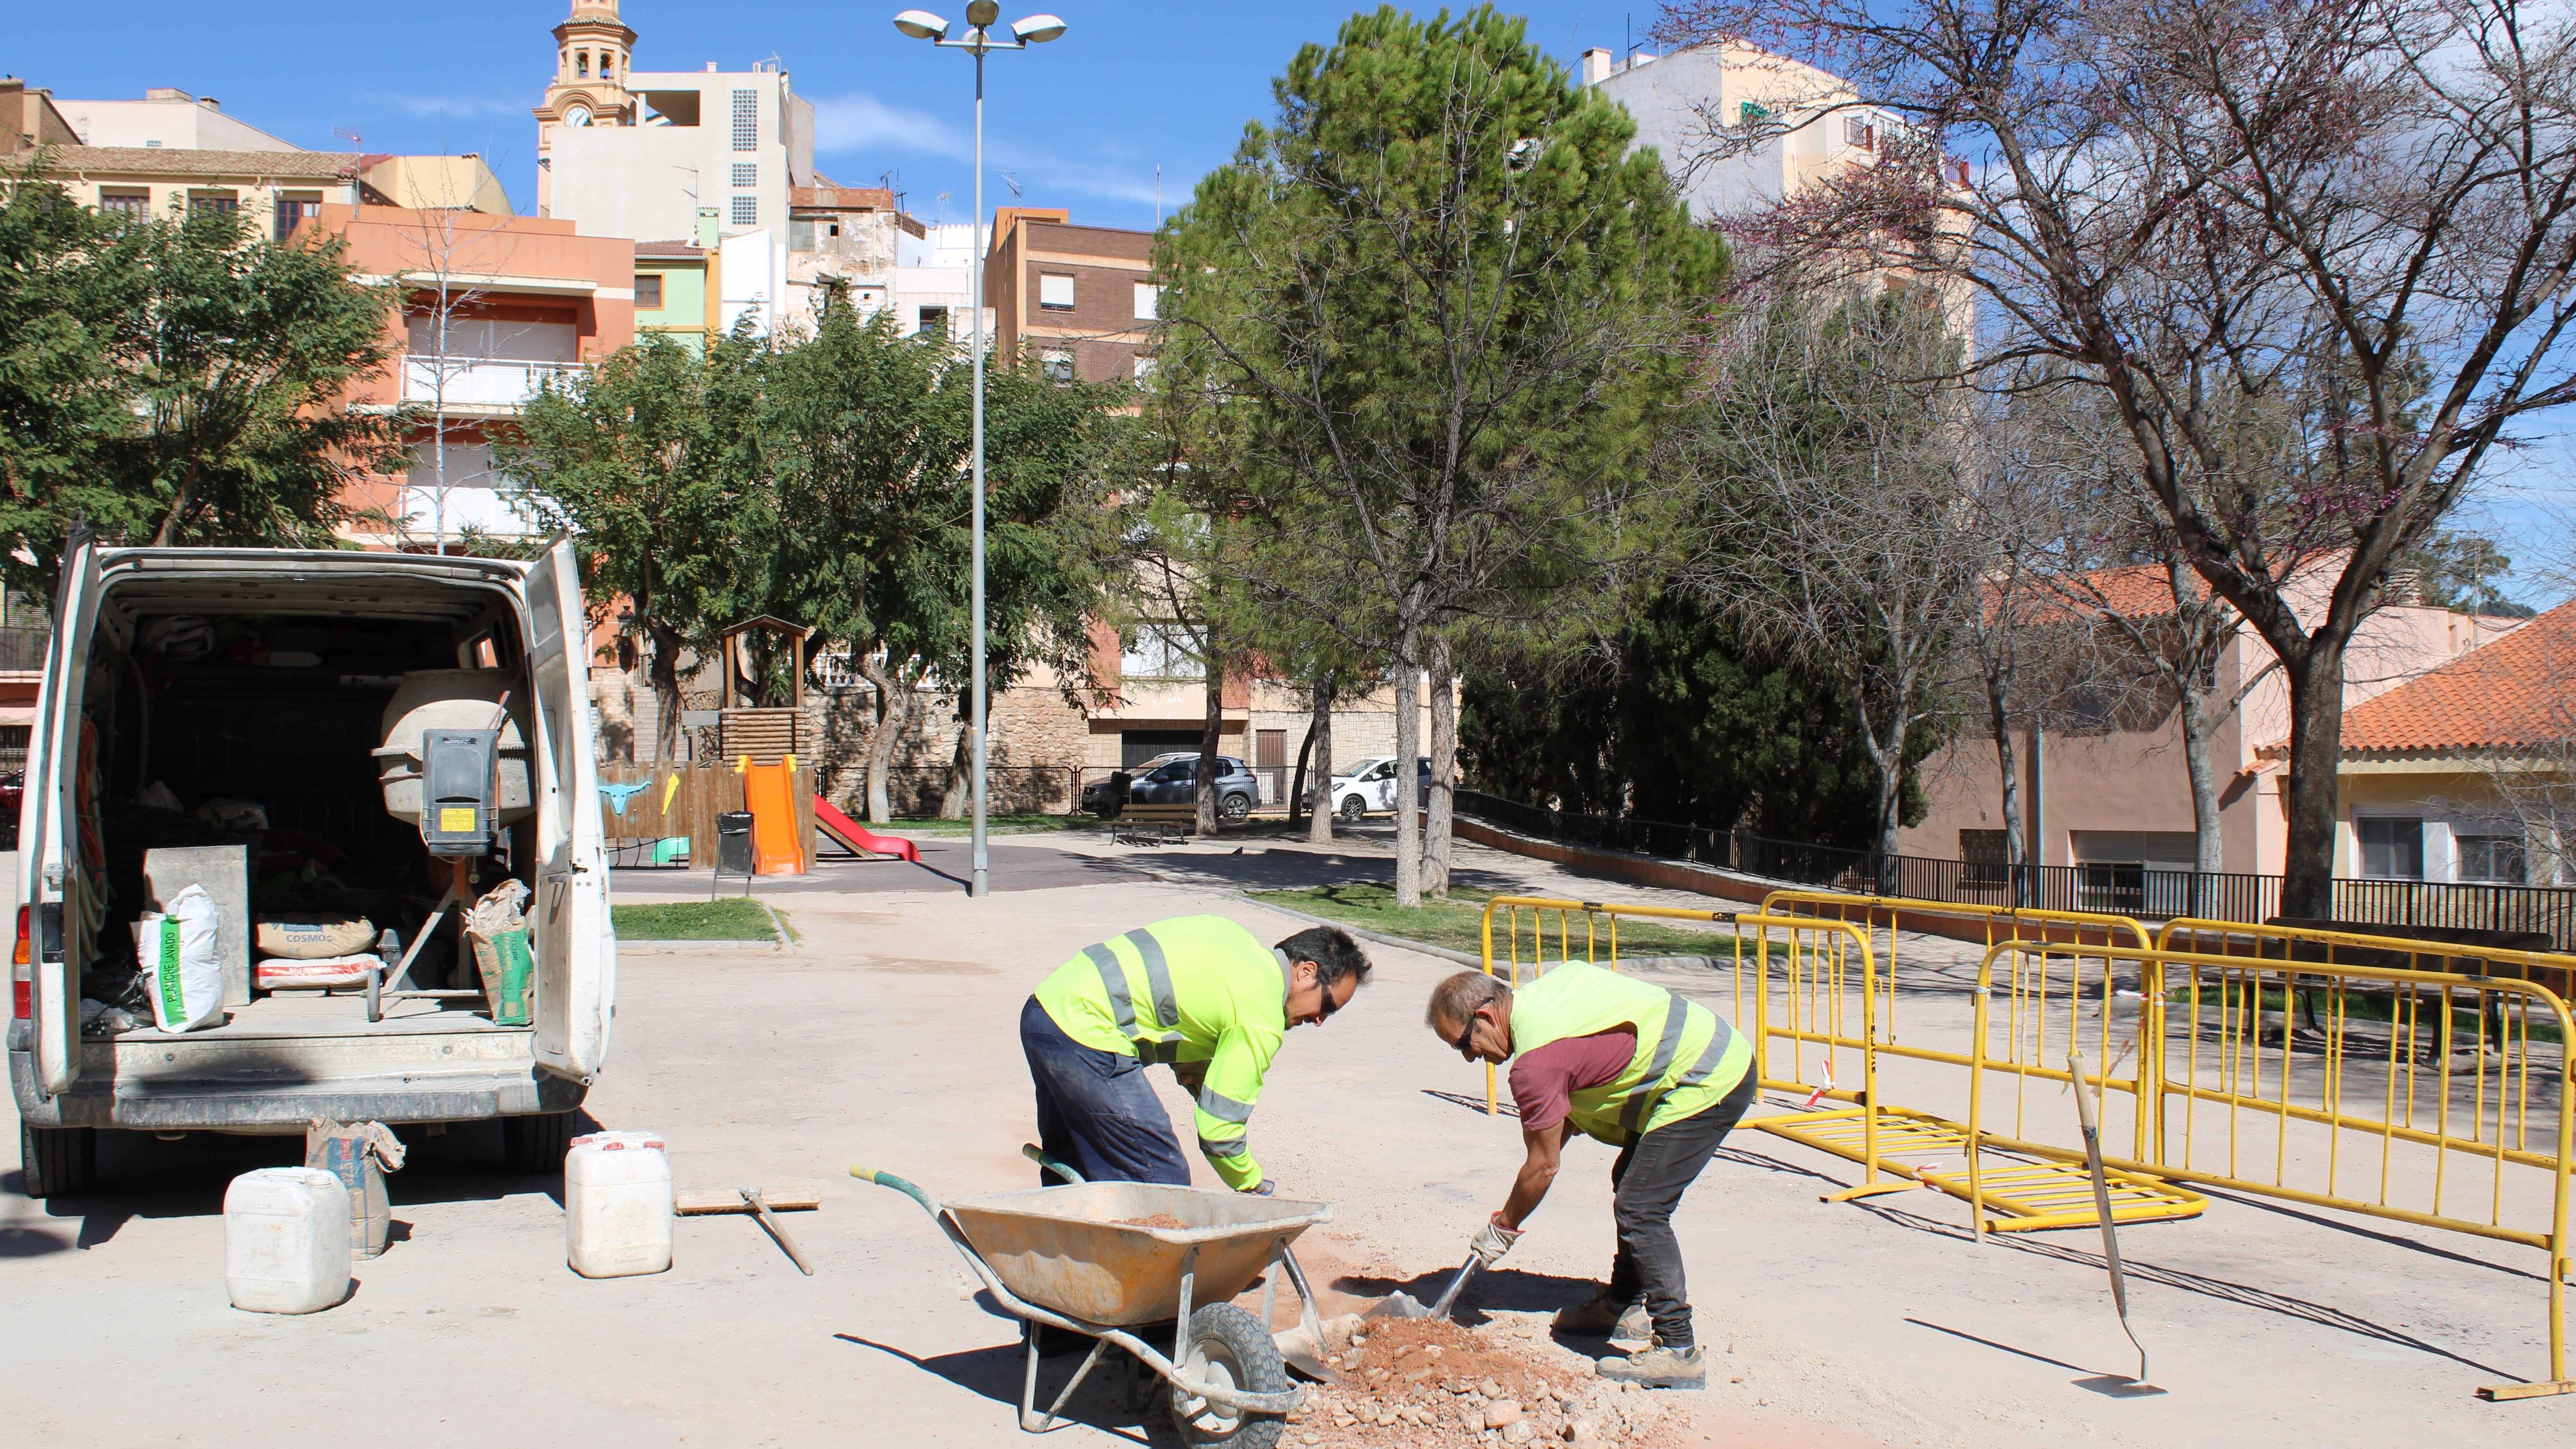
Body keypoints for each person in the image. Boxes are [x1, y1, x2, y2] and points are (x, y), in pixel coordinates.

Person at [1423, 963, 1758, 1389]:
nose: (1471, 1057)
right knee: (1632, 1180)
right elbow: (1560, 1124)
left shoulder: (1536, 1063)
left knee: (1641, 1205)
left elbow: (1544, 1164)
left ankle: (1678, 1349)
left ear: (1486, 1017)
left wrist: (1503, 1228)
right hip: (1711, 1052)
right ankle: (1624, 1305)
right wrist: (1527, 1179)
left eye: (1462, 1044)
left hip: (1709, 1077)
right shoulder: (1547, 995)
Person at [1023, 916, 1372, 1194]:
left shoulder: (1236, 944)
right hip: (1087, 1033)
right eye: (1327, 1006)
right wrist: (1249, 1183)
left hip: (1044, 1012)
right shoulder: (1261, 1011)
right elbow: (1219, 1131)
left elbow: (1183, 1023)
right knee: (1159, 1179)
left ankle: (1067, 1267)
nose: (1319, 1021)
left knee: (1073, 1164)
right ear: (1306, 972)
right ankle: (1155, 1281)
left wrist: (1201, 1085)